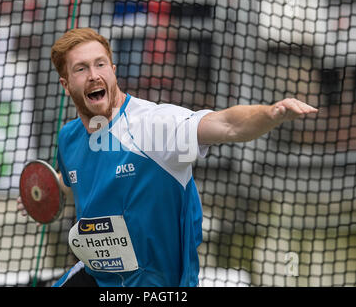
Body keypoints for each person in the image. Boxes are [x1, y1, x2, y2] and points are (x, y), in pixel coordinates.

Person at [17, 28, 318, 287]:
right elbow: (76, 180)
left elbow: (228, 124)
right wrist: (48, 190)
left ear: (113, 69)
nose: (94, 75)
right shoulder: (69, 138)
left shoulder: (156, 126)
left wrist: (271, 113)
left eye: (100, 64)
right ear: (66, 84)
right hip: (97, 277)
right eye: (81, 69)